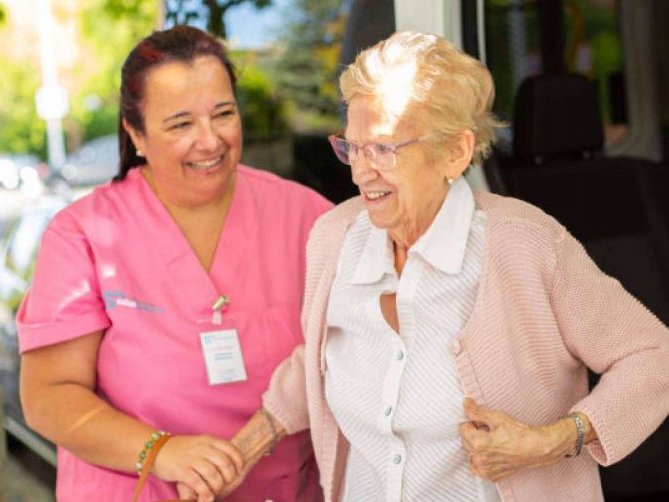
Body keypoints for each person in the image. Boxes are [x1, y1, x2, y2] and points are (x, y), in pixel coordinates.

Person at [225, 31, 669, 501]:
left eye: (383, 149)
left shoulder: (526, 244)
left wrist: (554, 441)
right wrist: (244, 448)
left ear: (455, 152)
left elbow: (653, 357)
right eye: (352, 147)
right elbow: (323, 357)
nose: (359, 172)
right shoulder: (335, 238)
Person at [17, 25, 331, 502]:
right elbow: (48, 396)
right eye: (181, 124)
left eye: (223, 114)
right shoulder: (83, 234)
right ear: (136, 134)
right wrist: (161, 452)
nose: (209, 141)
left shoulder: (309, 217)